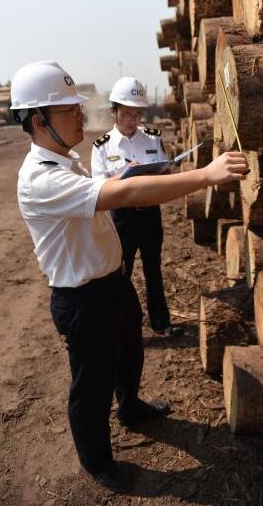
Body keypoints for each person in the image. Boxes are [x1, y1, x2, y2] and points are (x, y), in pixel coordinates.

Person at [12, 61, 249, 493]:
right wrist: (204, 176)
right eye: (68, 110)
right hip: (81, 299)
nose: (81, 114)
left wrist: (132, 171)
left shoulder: (65, 162)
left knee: (128, 352)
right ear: (37, 119)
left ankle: (132, 407)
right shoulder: (39, 179)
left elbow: (119, 180)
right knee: (92, 382)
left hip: (111, 284)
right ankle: (98, 461)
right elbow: (119, 194)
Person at [91, 76, 180, 337]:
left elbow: (163, 171)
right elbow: (98, 187)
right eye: (127, 114)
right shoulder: (102, 147)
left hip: (150, 214)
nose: (133, 120)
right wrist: (122, 176)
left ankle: (160, 323)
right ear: (113, 111)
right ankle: (120, 327)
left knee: (154, 269)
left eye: (138, 114)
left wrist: (164, 172)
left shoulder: (152, 138)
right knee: (121, 273)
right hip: (122, 219)